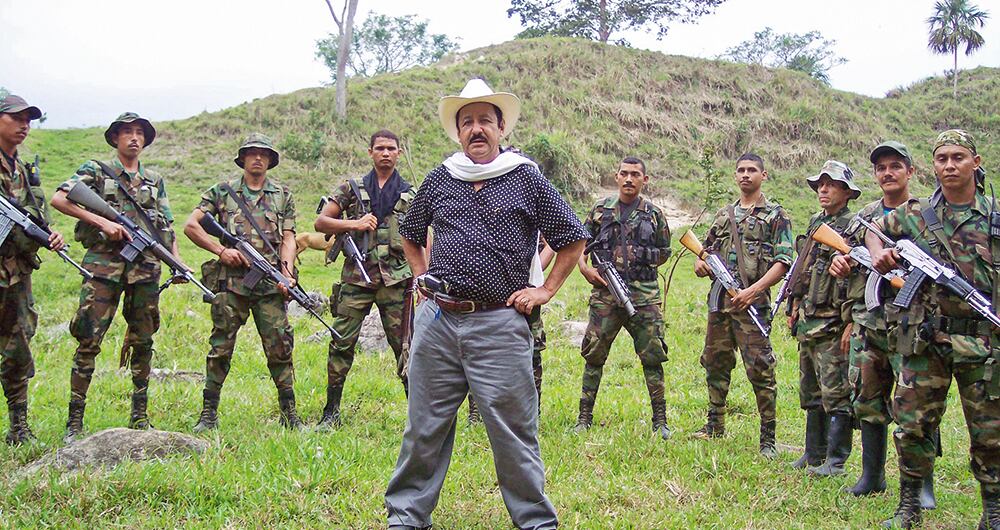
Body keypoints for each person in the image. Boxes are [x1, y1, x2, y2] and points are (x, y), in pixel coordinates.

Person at [384, 78, 588, 530]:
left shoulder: (526, 179)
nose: (477, 130)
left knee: (513, 431)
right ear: (458, 132)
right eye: (468, 122)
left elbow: (572, 239)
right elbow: (412, 234)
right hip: (438, 321)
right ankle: (406, 516)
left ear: (501, 129)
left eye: (485, 122)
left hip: (499, 324)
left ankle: (535, 521)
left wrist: (545, 290)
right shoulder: (442, 177)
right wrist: (421, 279)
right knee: (424, 427)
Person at [869, 130, 999, 529]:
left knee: (991, 431)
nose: (949, 165)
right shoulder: (915, 213)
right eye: (941, 158)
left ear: (975, 162)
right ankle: (909, 507)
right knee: (912, 426)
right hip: (926, 339)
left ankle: (993, 510)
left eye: (958, 157)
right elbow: (872, 230)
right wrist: (882, 256)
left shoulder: (995, 216)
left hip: (984, 340)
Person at [51, 112, 185, 442]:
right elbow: (59, 198)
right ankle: (75, 422)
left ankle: (140, 415)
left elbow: (165, 225)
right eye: (127, 132)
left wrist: (177, 262)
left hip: (145, 270)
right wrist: (102, 223)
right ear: (115, 139)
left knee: (143, 340)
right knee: (89, 338)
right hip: (102, 268)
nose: (134, 138)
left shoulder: (155, 179)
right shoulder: (95, 170)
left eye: (139, 132)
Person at [829, 141, 939, 505]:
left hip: (914, 325)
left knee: (917, 405)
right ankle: (871, 476)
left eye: (895, 166)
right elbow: (842, 257)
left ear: (910, 172)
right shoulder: (865, 216)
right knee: (867, 399)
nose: (887, 173)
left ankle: (922, 485)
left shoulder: (927, 215)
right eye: (881, 168)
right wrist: (840, 264)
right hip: (870, 320)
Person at [183, 133, 302, 431]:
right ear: (243, 158)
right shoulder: (222, 192)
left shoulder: (283, 195)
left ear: (270, 160)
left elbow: (289, 237)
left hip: (269, 285)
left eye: (263, 153)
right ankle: (208, 414)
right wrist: (221, 251)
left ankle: (289, 414)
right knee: (221, 346)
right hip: (231, 285)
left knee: (280, 347)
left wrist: (287, 273)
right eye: (252, 153)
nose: (258, 158)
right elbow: (190, 225)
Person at [693, 153, 793, 457]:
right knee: (715, 361)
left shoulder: (776, 216)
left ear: (764, 175)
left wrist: (753, 291)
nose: (745, 175)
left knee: (761, 368)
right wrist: (702, 265)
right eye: (740, 170)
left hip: (752, 306)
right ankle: (715, 424)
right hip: (721, 302)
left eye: (752, 170)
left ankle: (768, 437)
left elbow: (783, 262)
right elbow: (705, 251)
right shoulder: (724, 215)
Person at [314, 129, 415, 428]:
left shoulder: (410, 192)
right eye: (380, 148)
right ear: (370, 152)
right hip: (357, 279)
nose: (386, 153)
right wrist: (354, 223)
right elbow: (321, 222)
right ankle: (331, 411)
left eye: (391, 148)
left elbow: (424, 235)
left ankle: (417, 417)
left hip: (396, 281)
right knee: (341, 343)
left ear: (399, 153)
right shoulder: (352, 188)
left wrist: (424, 276)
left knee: (406, 348)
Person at [573, 157, 673, 440]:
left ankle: (660, 421)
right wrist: (585, 268)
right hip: (605, 294)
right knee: (593, 354)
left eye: (636, 175)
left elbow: (664, 251)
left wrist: (641, 259)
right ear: (616, 177)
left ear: (645, 180)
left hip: (644, 295)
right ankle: (584, 418)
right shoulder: (600, 210)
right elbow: (580, 242)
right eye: (624, 174)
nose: (629, 179)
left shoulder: (653, 215)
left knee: (653, 356)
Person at [786, 160, 860, 475]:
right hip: (809, 320)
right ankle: (813, 453)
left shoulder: (855, 226)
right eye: (820, 184)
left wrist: (853, 321)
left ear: (846, 191)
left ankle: (837, 460)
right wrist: (793, 304)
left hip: (834, 322)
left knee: (836, 392)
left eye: (831, 184)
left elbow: (860, 279)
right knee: (812, 391)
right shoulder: (817, 222)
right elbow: (802, 269)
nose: (823, 189)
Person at [0, 93, 65, 444]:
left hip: (16, 274)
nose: (24, 124)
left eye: (28, 119)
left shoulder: (25, 171)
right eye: (15, 117)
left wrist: (50, 234)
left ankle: (18, 425)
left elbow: (37, 216)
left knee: (18, 344)